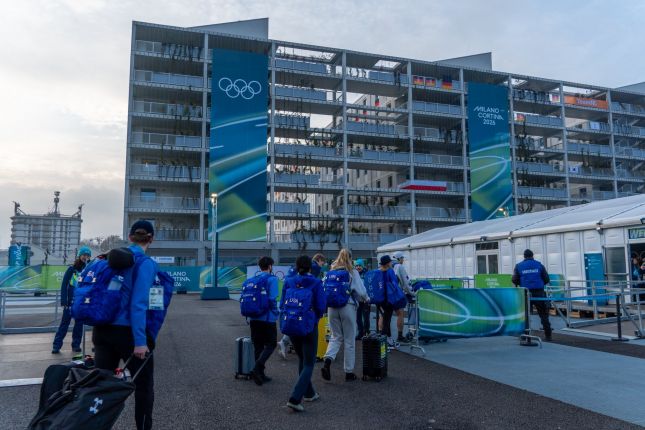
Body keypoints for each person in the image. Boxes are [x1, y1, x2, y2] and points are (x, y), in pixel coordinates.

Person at [92, 220, 159, 430]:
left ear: (130, 237)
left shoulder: (107, 259)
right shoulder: (145, 263)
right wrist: (140, 341)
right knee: (144, 387)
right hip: (128, 333)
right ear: (151, 239)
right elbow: (138, 304)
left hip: (102, 330)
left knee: (101, 387)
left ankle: (93, 424)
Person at [280, 255, 326, 412]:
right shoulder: (316, 282)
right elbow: (321, 306)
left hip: (291, 324)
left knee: (302, 359)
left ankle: (309, 393)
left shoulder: (289, 281)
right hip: (308, 325)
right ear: (310, 267)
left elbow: (282, 304)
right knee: (309, 363)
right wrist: (315, 318)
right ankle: (295, 398)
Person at [321, 249, 369, 382]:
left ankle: (327, 361)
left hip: (332, 308)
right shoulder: (352, 272)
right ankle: (349, 372)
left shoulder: (330, 272)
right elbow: (361, 292)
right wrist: (367, 299)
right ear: (350, 258)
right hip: (347, 306)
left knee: (335, 336)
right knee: (349, 340)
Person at [277, 253, 327, 359]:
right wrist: (317, 317)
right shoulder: (315, 268)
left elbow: (282, 303)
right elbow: (319, 302)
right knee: (309, 359)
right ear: (318, 260)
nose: (322, 265)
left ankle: (285, 342)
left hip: (292, 305)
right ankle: (285, 342)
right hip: (307, 314)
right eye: (322, 263)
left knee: (293, 317)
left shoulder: (290, 277)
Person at [52, 246, 92, 354]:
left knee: (79, 325)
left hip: (81, 303)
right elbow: (64, 285)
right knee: (64, 324)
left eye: (88, 255)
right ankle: (56, 345)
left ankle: (76, 345)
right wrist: (64, 301)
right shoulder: (72, 269)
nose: (85, 257)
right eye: (84, 255)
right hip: (70, 302)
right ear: (79, 256)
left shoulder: (89, 270)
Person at [248, 256, 279, 386]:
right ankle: (257, 369)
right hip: (267, 318)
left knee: (258, 345)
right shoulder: (272, 279)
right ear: (270, 266)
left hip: (253, 317)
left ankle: (260, 374)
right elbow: (272, 299)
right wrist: (276, 313)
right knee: (271, 344)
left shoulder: (253, 279)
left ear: (259, 266)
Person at [512, 249, 552, 341]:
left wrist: (523, 283)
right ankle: (548, 335)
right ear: (532, 255)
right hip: (539, 293)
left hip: (525, 293)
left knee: (525, 315)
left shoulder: (519, 266)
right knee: (543, 314)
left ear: (524, 256)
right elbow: (546, 279)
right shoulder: (539, 265)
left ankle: (526, 336)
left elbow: (514, 280)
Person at [376, 255, 400, 349]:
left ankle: (389, 339)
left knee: (386, 319)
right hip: (388, 299)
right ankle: (383, 344)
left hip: (379, 299)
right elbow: (395, 284)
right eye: (390, 262)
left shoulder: (378, 272)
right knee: (387, 320)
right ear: (387, 263)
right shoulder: (390, 271)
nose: (391, 263)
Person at [392, 251, 412, 344]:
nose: (403, 260)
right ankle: (400, 336)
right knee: (400, 314)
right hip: (397, 294)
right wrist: (412, 293)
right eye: (402, 258)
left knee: (383, 315)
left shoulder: (387, 266)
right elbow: (406, 282)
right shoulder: (400, 267)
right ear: (399, 258)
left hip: (386, 295)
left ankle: (383, 336)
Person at [354, 259, 370, 339]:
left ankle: (366, 332)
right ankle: (360, 333)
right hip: (357, 300)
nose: (358, 267)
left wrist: (367, 297)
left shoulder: (366, 274)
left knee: (366, 317)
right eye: (356, 266)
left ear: (362, 266)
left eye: (359, 265)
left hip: (365, 299)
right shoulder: (354, 275)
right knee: (358, 317)